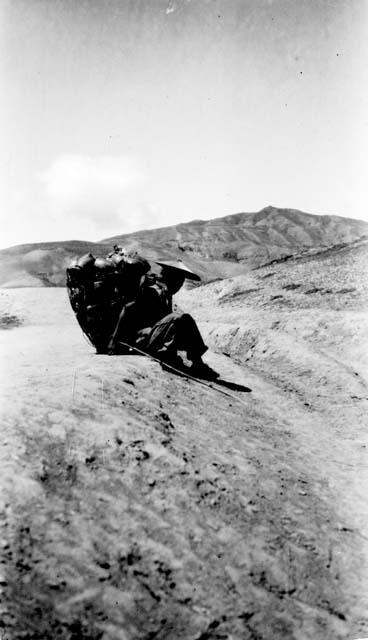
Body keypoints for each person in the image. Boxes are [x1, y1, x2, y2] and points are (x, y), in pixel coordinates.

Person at [108, 259, 219, 379]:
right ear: (170, 278)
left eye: (181, 282)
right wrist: (114, 341)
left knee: (182, 320)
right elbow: (128, 308)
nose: (180, 286)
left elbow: (164, 321)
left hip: (152, 336)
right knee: (182, 318)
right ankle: (197, 363)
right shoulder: (153, 291)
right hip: (141, 339)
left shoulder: (165, 294)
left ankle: (184, 359)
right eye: (178, 281)